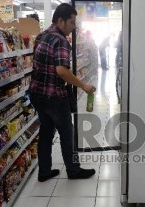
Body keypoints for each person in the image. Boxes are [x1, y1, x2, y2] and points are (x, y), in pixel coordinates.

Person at [30, 3, 96, 182]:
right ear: (61, 21)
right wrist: (83, 85)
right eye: (72, 23)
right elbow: (62, 71)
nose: (73, 27)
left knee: (46, 132)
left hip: (37, 94)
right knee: (67, 133)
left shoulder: (41, 36)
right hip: (54, 97)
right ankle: (74, 171)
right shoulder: (60, 41)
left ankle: (44, 172)